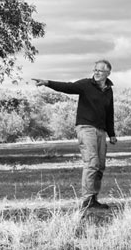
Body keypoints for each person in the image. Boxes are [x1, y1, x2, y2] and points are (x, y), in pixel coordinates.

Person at [32, 60, 117, 210]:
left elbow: (109, 113)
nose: (96, 72)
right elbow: (67, 87)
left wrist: (112, 134)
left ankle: (94, 198)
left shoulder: (109, 90)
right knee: (92, 162)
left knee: (100, 166)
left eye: (100, 71)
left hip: (101, 131)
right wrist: (47, 82)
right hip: (86, 128)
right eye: (95, 69)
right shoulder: (85, 85)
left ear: (108, 73)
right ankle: (87, 199)